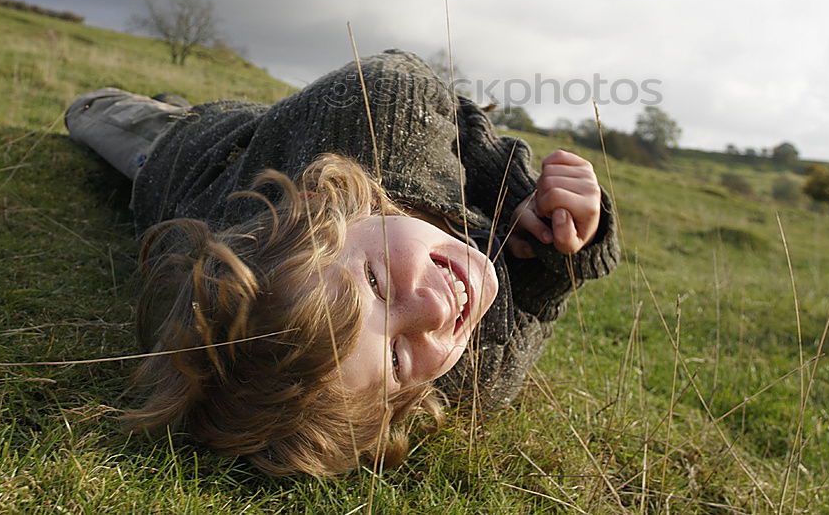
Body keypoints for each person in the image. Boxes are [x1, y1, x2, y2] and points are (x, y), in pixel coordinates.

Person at [65, 49, 619, 476]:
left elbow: (399, 73)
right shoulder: (473, 380)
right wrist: (555, 239)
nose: (433, 312)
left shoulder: (377, 121)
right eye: (399, 360)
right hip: (247, 162)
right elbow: (533, 312)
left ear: (322, 208)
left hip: (187, 158)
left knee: (95, 115)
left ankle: (147, 106)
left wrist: (510, 180)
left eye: (377, 284)